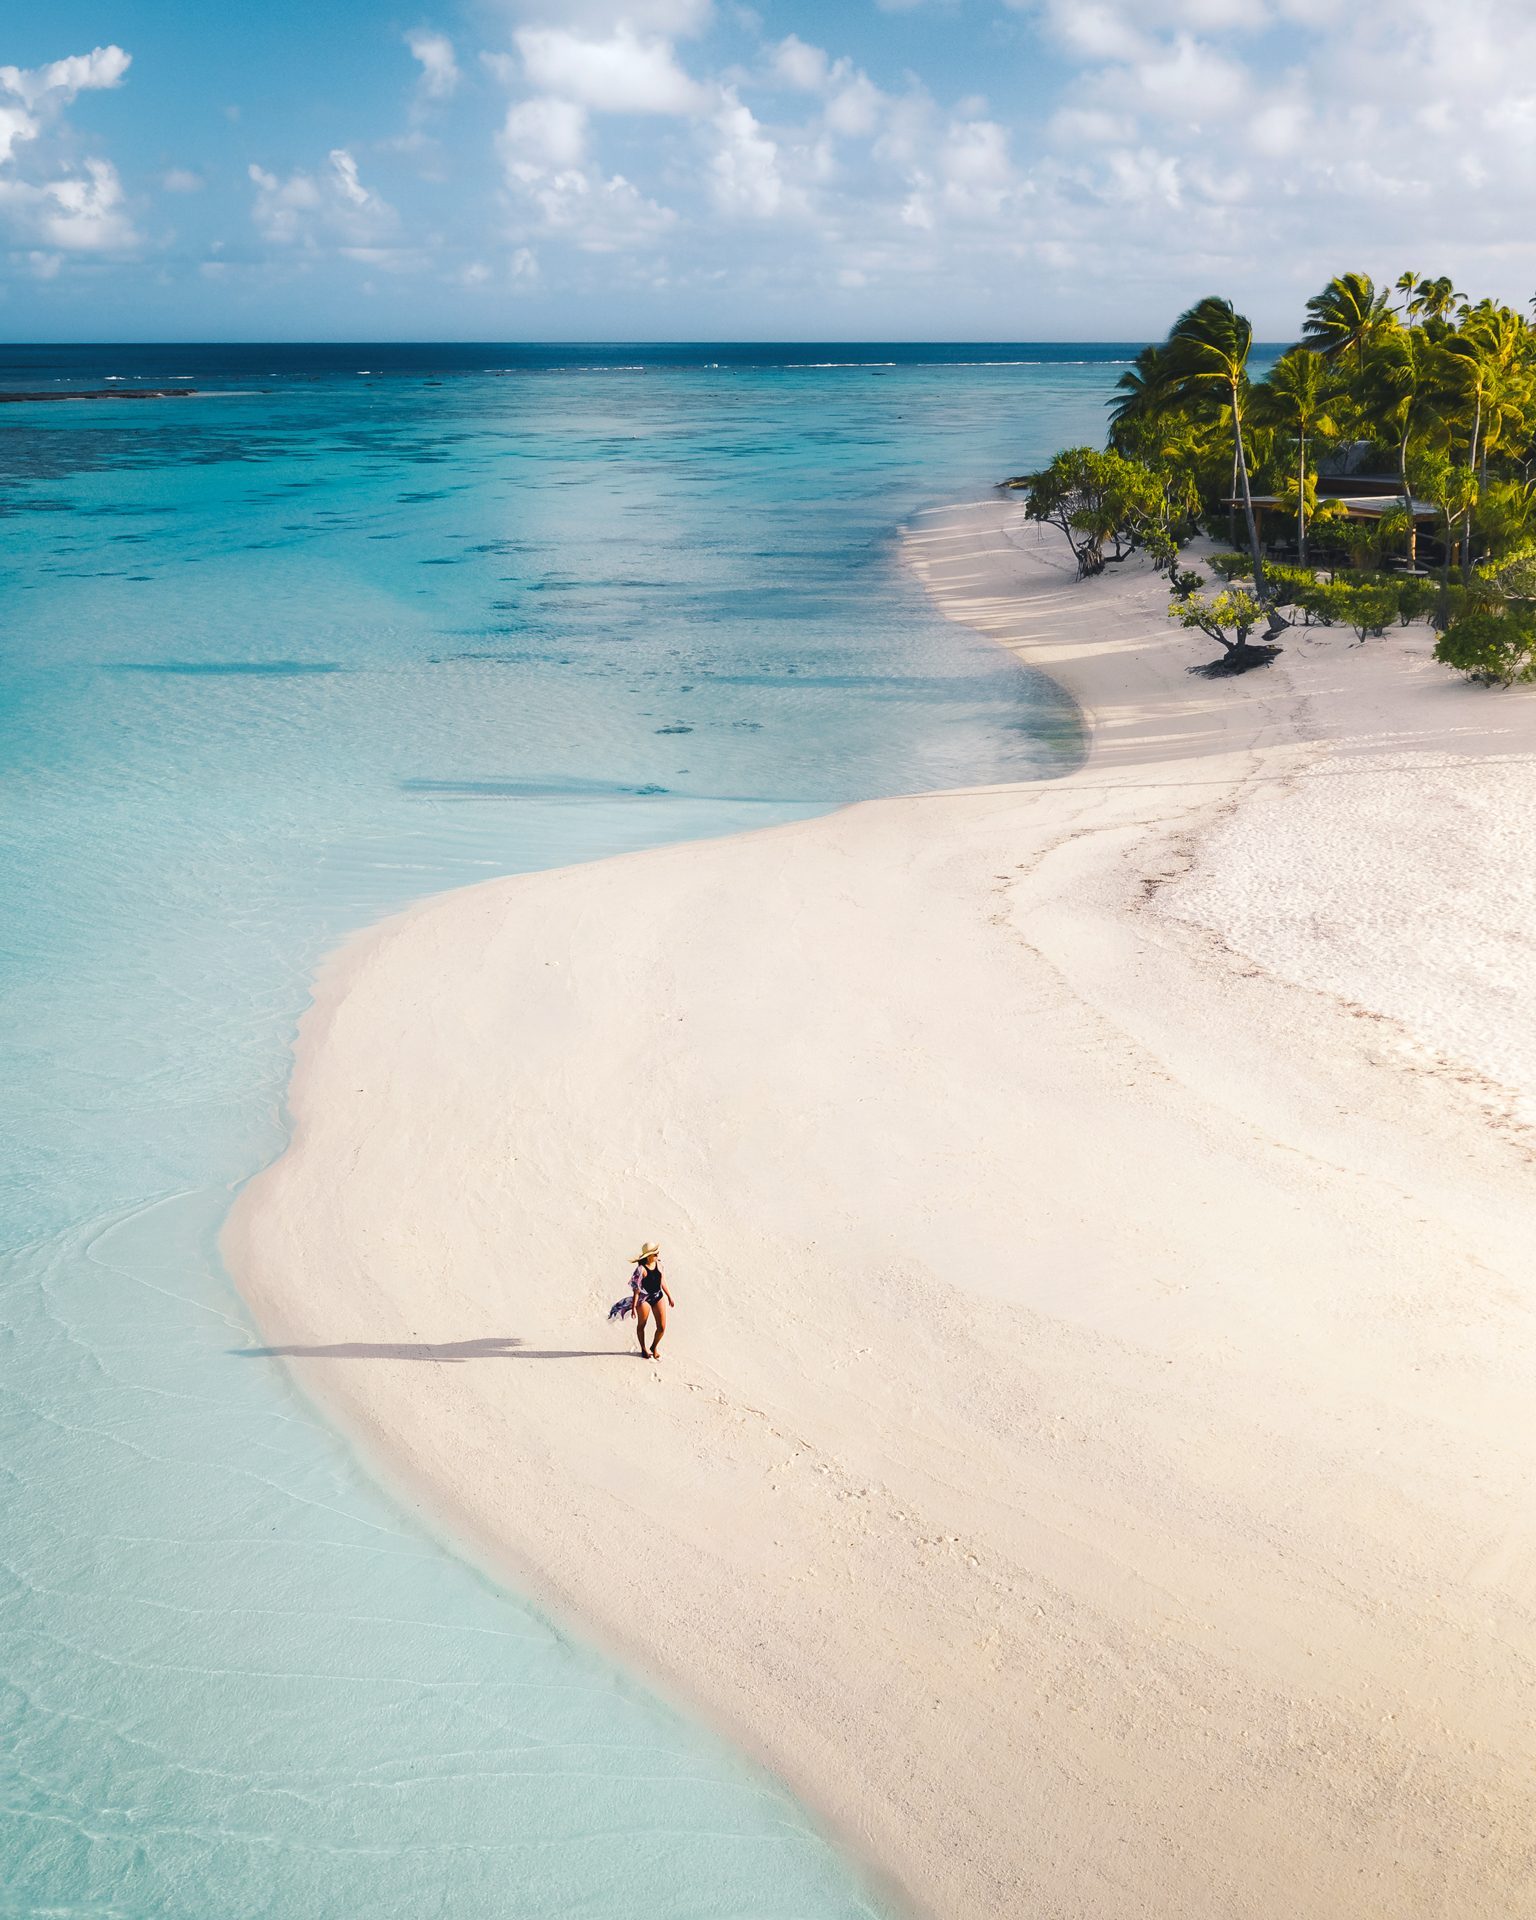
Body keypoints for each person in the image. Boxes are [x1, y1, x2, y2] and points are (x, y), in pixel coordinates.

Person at [629, 1242, 674, 1360]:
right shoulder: (640, 1269)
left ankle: (654, 1347)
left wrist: (669, 1296)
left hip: (658, 1296)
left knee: (662, 1327)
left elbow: (662, 1280)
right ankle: (643, 1348)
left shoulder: (659, 1264)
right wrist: (634, 1307)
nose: (657, 1254)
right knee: (641, 1325)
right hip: (644, 1299)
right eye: (655, 1253)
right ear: (648, 1256)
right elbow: (636, 1290)